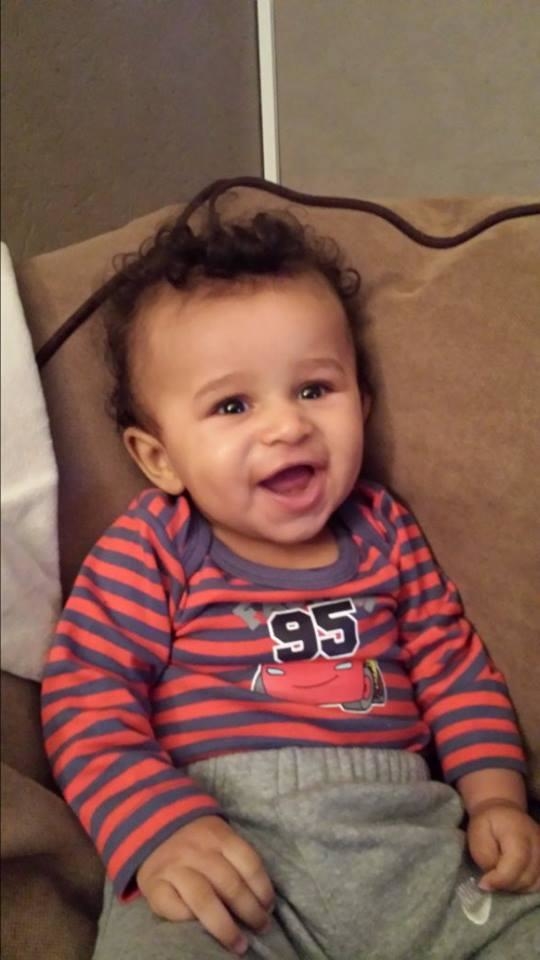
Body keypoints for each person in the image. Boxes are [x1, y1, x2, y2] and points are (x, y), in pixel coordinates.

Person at [41, 211, 540, 960]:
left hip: (411, 843)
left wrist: (496, 795)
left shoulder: (384, 529)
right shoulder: (154, 546)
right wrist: (159, 826)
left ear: (361, 406)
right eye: (232, 406)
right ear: (159, 457)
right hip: (226, 851)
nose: (286, 427)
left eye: (313, 389)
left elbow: (453, 669)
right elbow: (86, 694)